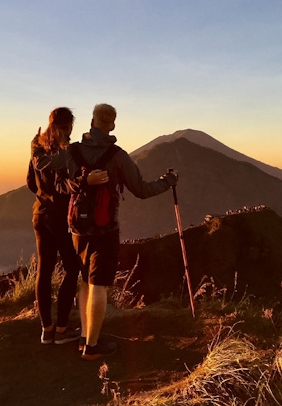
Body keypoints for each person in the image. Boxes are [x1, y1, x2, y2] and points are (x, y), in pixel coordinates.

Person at [58, 103, 179, 360]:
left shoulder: (72, 151)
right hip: (105, 229)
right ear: (112, 124)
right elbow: (142, 190)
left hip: (76, 228)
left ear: (91, 121)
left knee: (84, 281)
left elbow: (59, 185)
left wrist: (80, 181)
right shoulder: (117, 156)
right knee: (98, 284)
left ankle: (83, 337)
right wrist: (169, 181)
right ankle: (92, 346)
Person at [27, 107, 108, 345]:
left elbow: (30, 182)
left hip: (39, 215)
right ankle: (62, 329)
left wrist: (44, 196)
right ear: (69, 126)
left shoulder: (38, 148)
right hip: (59, 218)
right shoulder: (67, 152)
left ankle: (46, 329)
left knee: (44, 269)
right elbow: (69, 184)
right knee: (72, 269)